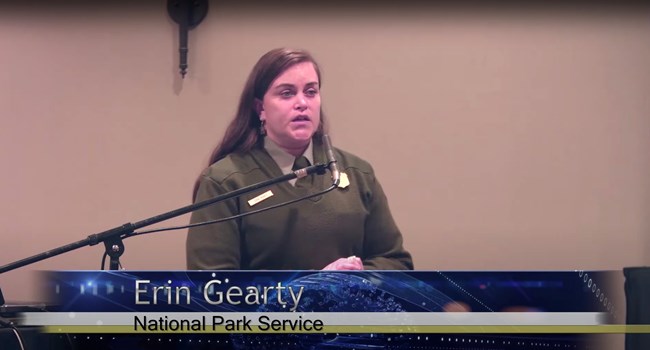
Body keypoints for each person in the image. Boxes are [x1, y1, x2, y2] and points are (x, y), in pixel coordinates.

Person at [186, 48, 413, 271]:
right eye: (287, 93)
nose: (302, 103)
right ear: (260, 109)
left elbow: (396, 263)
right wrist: (313, 288)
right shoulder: (224, 182)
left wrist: (357, 278)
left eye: (311, 92)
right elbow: (212, 287)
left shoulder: (358, 173)